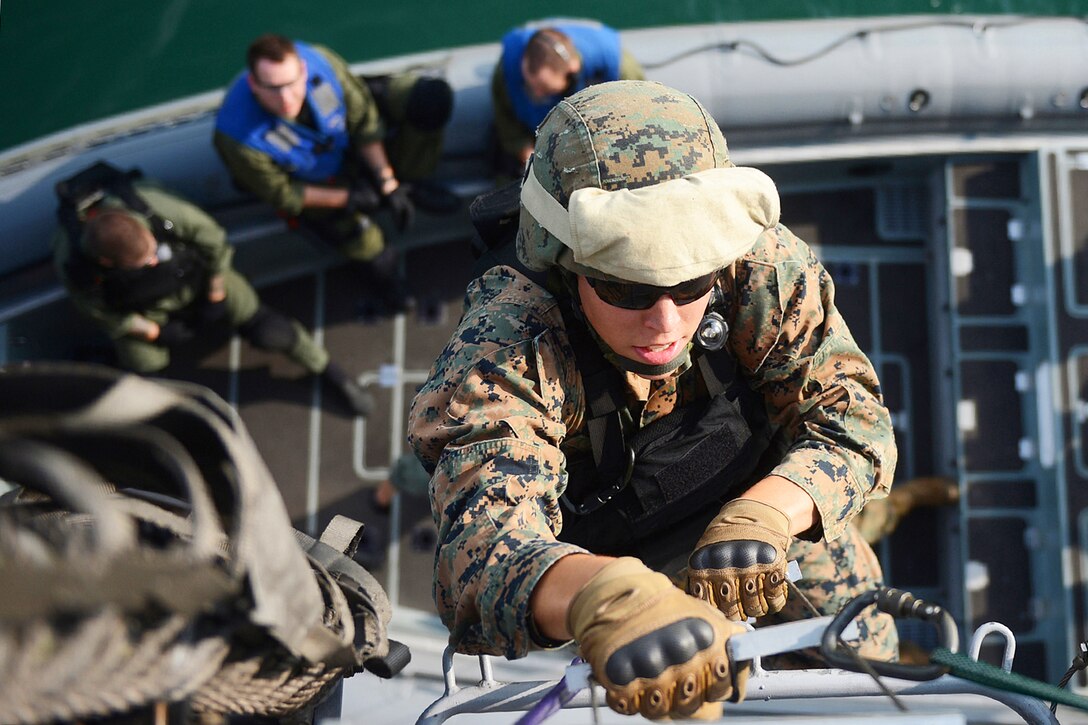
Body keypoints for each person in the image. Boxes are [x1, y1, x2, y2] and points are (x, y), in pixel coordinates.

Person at [408, 81, 899, 719]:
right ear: (565, 260)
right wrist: (607, 600)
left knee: (872, 664)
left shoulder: (754, 267)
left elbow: (851, 420)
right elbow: (482, 553)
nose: (666, 325)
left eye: (690, 280)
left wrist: (766, 516)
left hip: (769, 535)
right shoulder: (509, 346)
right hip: (630, 587)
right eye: (627, 289)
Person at [52, 162, 374, 417]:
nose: (153, 260)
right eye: (145, 261)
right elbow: (101, 312)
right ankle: (174, 423)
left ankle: (327, 370)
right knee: (147, 370)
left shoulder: (155, 207)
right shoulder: (75, 264)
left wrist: (216, 292)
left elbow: (214, 241)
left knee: (271, 331)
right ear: (108, 262)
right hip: (145, 311)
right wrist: (153, 332)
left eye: (153, 251)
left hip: (198, 279)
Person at [213, 34, 456, 312]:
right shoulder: (238, 138)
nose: (286, 98)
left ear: (303, 71)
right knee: (375, 255)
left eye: (292, 84)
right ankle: (388, 283)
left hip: (344, 148)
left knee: (430, 98)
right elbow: (284, 195)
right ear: (253, 84)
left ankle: (410, 183)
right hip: (315, 186)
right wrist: (352, 198)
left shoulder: (322, 66)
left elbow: (364, 120)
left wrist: (387, 182)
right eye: (273, 88)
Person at [491, 19, 645, 176]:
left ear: (572, 72)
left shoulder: (621, 70)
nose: (536, 94)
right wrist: (533, 163)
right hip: (539, 145)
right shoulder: (505, 74)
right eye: (529, 85)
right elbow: (510, 129)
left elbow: (638, 119)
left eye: (544, 89)